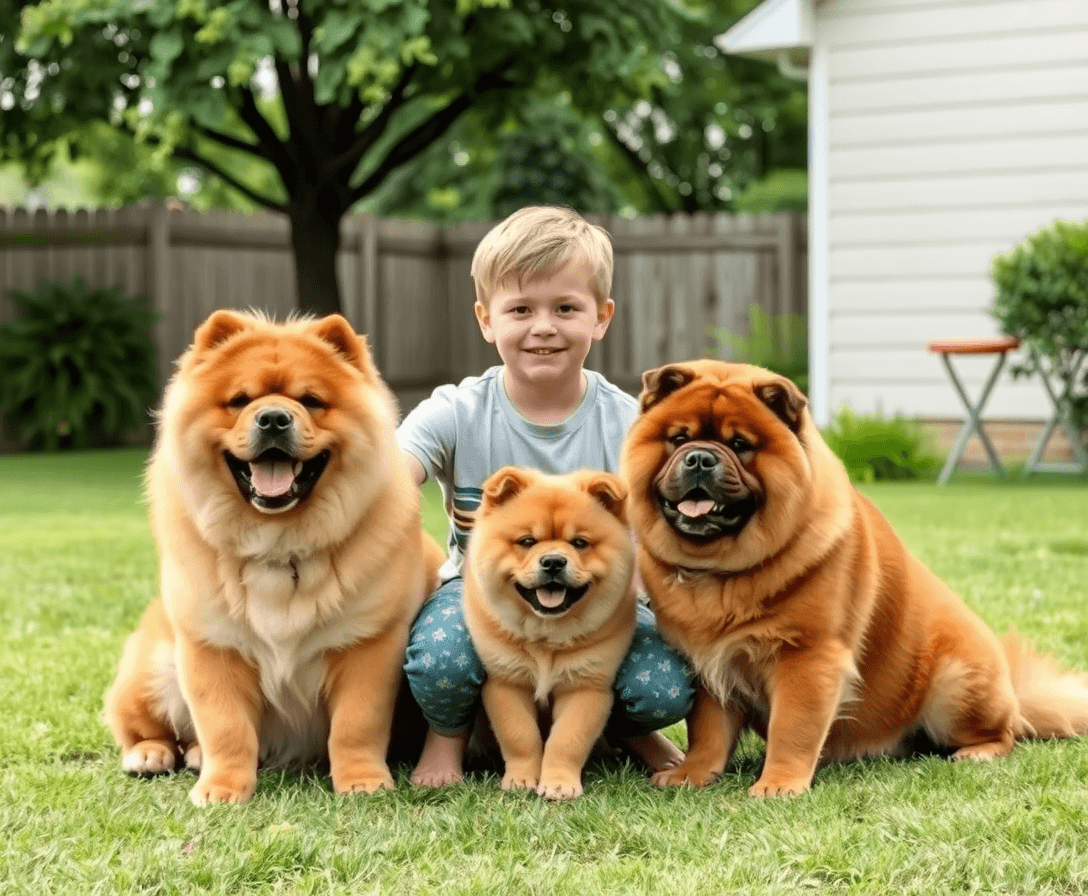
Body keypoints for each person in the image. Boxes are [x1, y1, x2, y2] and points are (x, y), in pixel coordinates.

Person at [398, 205, 695, 787]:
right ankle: (446, 737)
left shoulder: (629, 424)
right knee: (440, 659)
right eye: (520, 309)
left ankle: (626, 727)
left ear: (601, 317)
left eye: (566, 308)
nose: (543, 327)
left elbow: (671, 518)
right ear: (486, 319)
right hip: (480, 595)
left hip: (603, 603)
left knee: (663, 687)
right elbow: (386, 475)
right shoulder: (457, 411)